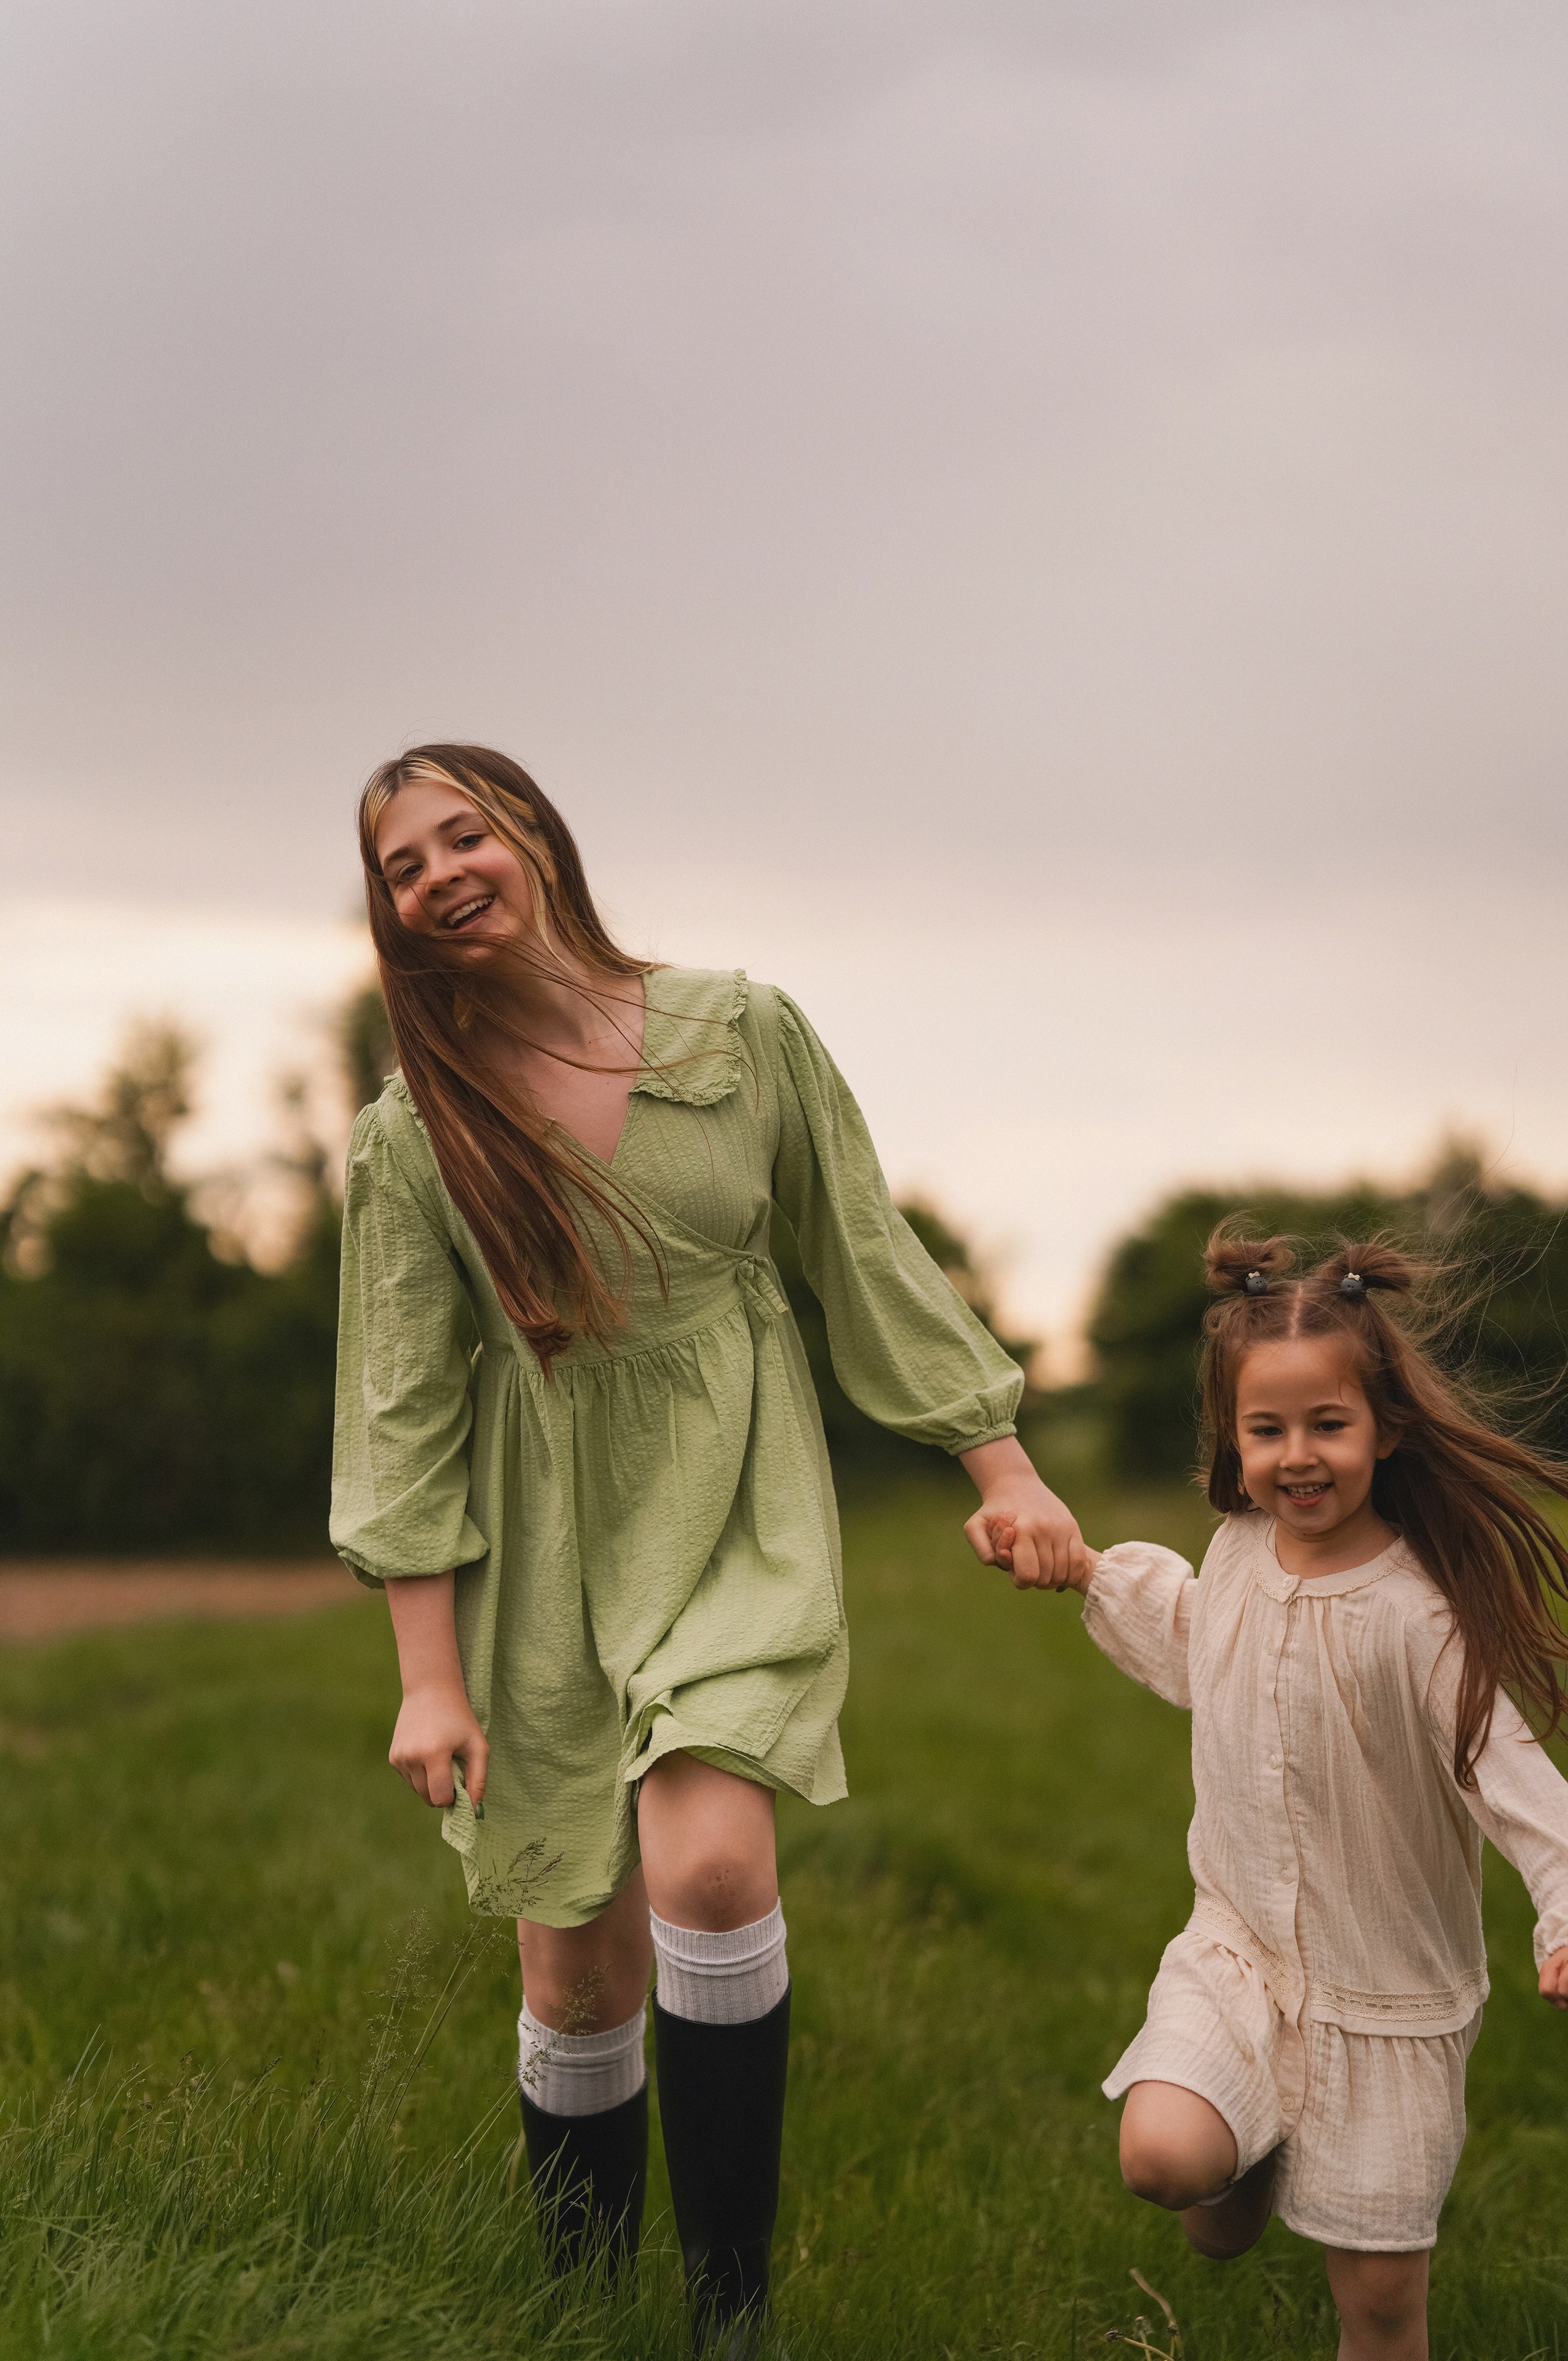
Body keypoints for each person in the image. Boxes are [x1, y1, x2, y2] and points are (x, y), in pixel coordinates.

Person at [330, 743, 1079, 2348]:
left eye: (467, 831)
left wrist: (997, 1467)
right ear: (387, 912)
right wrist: (426, 1678)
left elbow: (862, 1254)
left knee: (717, 1866)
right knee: (578, 1975)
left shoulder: (743, 1032)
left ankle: (728, 2319)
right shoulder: (414, 1134)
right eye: (404, 863)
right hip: (548, 1552)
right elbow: (401, 1414)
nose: (444, 870)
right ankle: (583, 2316)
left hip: (739, 1501)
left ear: (532, 832)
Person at [987, 1230, 1568, 2361]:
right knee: (1166, 2160)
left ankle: (1287, 2159)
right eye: (1268, 1430)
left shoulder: (1422, 1616)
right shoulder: (1240, 1554)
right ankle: (1248, 2142)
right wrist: (1080, 1566)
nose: (1298, 1455)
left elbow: (1510, 1772)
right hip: (1240, 1952)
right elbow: (1201, 1643)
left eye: (1328, 1424)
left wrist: (1565, 1909)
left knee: (1382, 2310)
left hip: (1383, 2000)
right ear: (1235, 1440)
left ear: (1386, 1428)